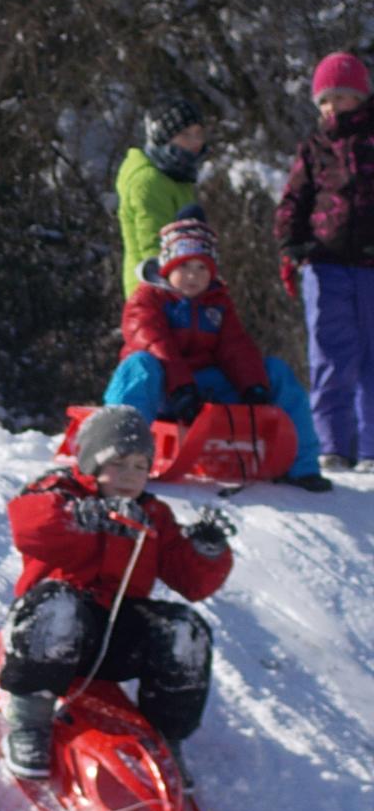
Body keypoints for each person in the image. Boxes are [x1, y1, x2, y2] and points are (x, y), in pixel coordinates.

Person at [0, 405, 233, 786]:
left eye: (140, 467)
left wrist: (208, 551)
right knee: (59, 608)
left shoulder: (153, 514)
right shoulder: (60, 492)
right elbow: (30, 525)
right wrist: (84, 516)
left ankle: (166, 736)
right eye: (119, 463)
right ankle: (29, 722)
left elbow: (192, 581)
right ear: (92, 463)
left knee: (184, 631)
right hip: (55, 632)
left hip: (114, 635)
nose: (130, 476)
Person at [103, 206, 332, 492]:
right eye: (184, 266)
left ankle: (301, 466)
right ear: (167, 267)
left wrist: (254, 386)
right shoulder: (146, 299)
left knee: (275, 371)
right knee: (139, 365)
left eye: (202, 268)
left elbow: (236, 347)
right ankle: (117, 457)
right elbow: (154, 343)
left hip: (201, 388)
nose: (193, 276)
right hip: (161, 389)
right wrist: (180, 387)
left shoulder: (217, 302)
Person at [274, 51, 374, 473]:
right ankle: (332, 443)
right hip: (325, 263)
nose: (334, 107)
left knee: (371, 356)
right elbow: (293, 199)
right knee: (331, 355)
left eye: (343, 97)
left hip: (370, 264)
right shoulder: (314, 148)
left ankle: (370, 448)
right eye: (326, 100)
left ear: (361, 98)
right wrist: (290, 243)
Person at [116, 97, 206, 298]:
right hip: (154, 294)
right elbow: (154, 246)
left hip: (182, 286)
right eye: (185, 134)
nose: (195, 142)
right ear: (163, 137)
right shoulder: (150, 181)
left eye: (198, 133)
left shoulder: (178, 176)